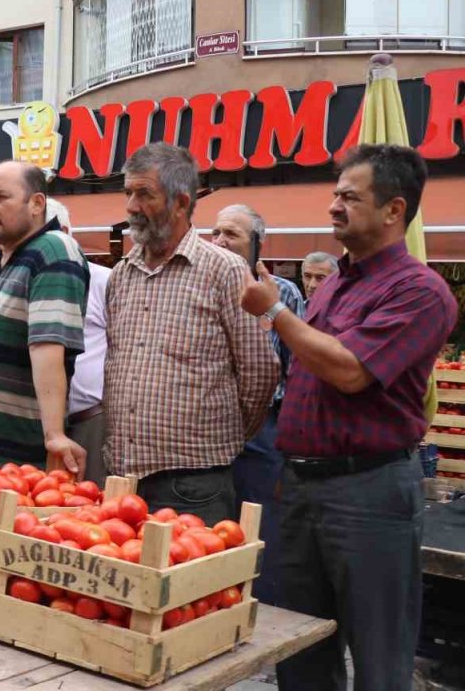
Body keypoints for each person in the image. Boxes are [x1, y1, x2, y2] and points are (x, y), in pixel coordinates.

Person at [242, 144, 455, 691]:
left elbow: (351, 371)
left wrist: (275, 310)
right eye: (335, 194)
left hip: (369, 492)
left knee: (378, 656)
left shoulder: (421, 290)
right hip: (300, 486)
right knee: (298, 648)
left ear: (394, 210)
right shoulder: (335, 280)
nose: (334, 206)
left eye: (350, 197)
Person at [103, 144, 277, 524]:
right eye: (128, 193)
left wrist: (221, 437)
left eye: (144, 194)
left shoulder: (225, 270)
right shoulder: (120, 275)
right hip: (123, 479)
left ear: (181, 202)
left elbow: (260, 371)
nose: (131, 206)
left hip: (194, 485)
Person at [0, 163, 89, 476]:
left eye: (0, 197)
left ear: (36, 203)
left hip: (9, 462)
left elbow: (47, 345)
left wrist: (54, 434)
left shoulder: (53, 249)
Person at [211, 203, 305, 606]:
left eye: (231, 234)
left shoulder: (283, 293)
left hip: (264, 429)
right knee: (214, 525)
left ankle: (262, 608)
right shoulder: (200, 285)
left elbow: (296, 369)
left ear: (257, 245)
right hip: (210, 424)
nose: (219, 241)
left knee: (261, 523)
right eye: (215, 232)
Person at [46, 197, 111, 484]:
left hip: (90, 421)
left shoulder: (104, 281)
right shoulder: (30, 280)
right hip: (40, 425)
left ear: (64, 233)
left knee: (90, 501)